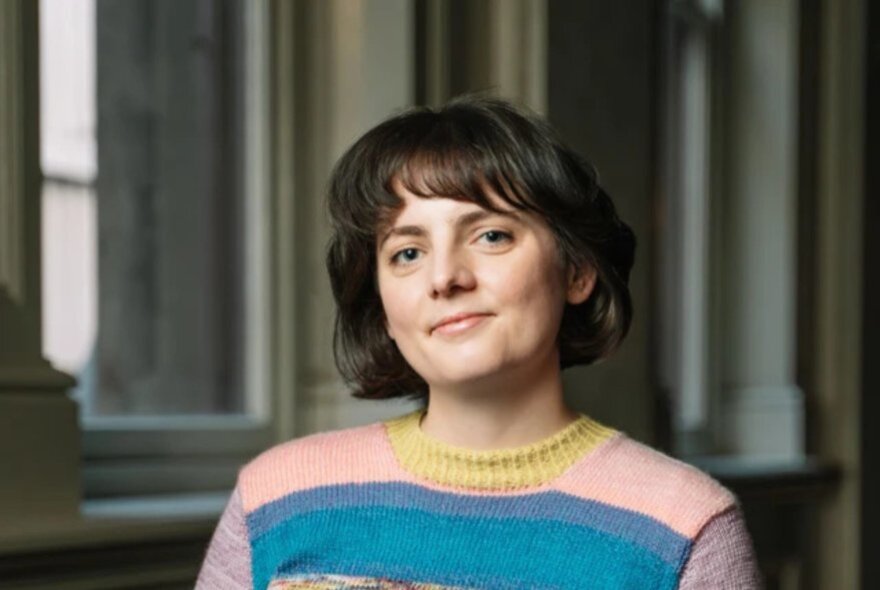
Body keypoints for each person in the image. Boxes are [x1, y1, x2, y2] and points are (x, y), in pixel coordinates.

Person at [196, 96, 762, 589]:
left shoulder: (686, 526)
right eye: (407, 253)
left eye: (491, 235)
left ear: (577, 272)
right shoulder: (275, 497)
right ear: (384, 305)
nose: (445, 277)